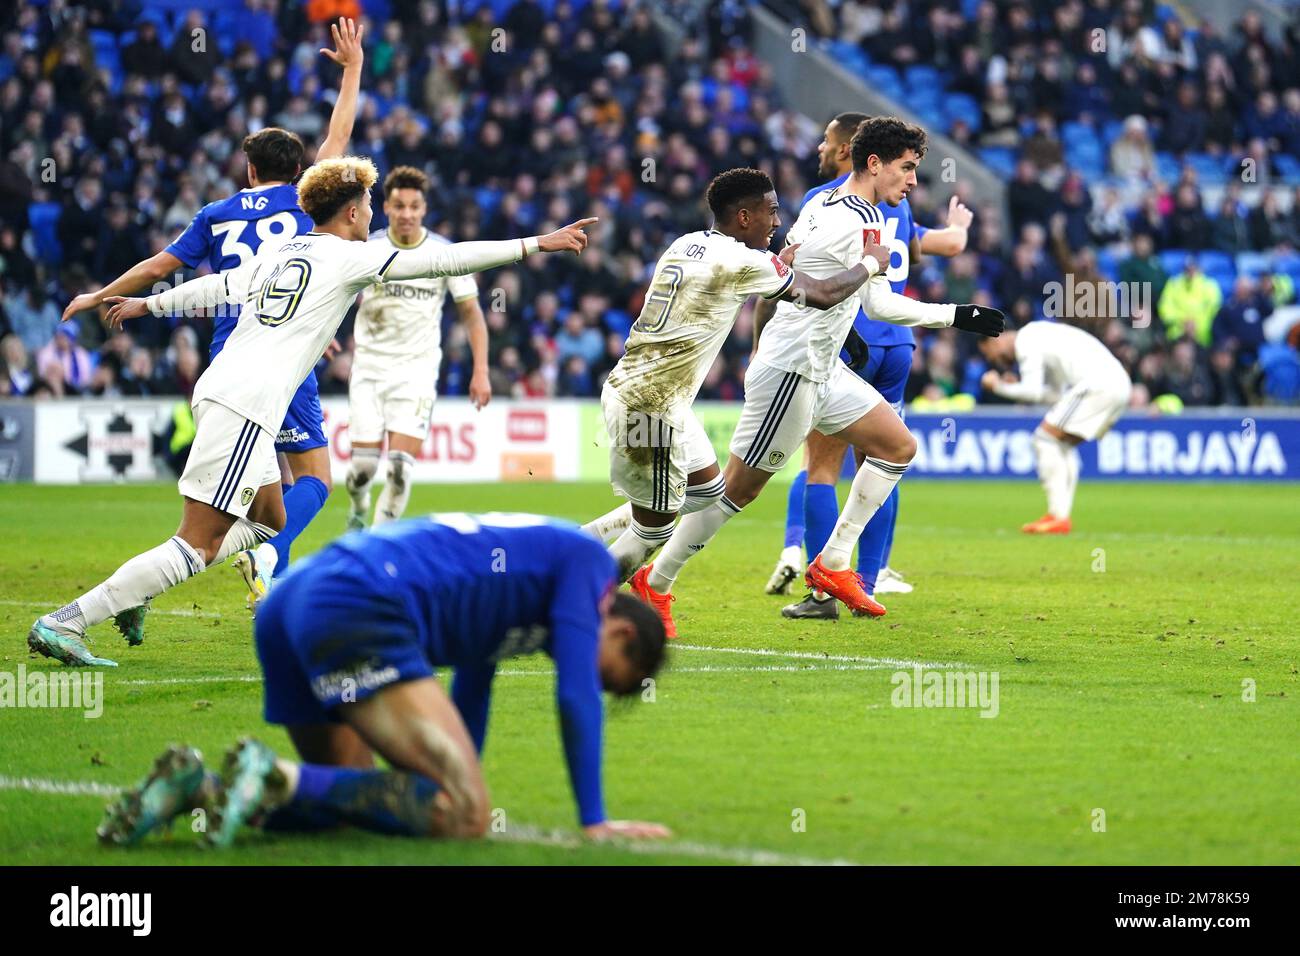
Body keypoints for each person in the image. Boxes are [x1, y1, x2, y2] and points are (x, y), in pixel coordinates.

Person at [27, 154, 595, 667]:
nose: (373, 213)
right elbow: (443, 262)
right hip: (247, 405)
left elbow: (218, 286)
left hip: (224, 389)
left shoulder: (283, 251)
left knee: (270, 521)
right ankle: (68, 621)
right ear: (351, 212)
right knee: (197, 542)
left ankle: (137, 591)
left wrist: (148, 304)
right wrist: (535, 244)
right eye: (370, 204)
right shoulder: (353, 259)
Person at [627, 117, 1003, 633]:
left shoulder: (837, 206)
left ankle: (832, 562)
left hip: (823, 369)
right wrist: (768, 346)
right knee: (736, 492)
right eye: (908, 168)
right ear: (875, 163)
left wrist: (958, 316)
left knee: (898, 447)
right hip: (792, 369)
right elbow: (802, 283)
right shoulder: (844, 217)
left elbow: (873, 301)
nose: (914, 181)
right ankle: (657, 578)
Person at [97, 515, 670, 847]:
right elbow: (572, 694)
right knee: (466, 815)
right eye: (614, 681)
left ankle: (200, 790)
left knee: (357, 799)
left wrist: (448, 766)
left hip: (294, 601)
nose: (598, 687)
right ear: (619, 632)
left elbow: (474, 679)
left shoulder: (521, 594)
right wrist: (593, 819)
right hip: (360, 602)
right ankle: (270, 774)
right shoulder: (588, 567)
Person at [63, 18, 365, 607]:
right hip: (276, 361)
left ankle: (170, 586)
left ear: (249, 170)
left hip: (228, 352)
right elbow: (341, 131)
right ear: (300, 171)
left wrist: (99, 295)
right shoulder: (309, 201)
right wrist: (351, 70)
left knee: (263, 508)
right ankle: (264, 565)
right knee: (314, 482)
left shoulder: (216, 212)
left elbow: (156, 268)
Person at [581, 167, 889, 592]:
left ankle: (581, 541)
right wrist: (871, 263)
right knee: (654, 531)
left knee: (708, 491)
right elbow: (821, 294)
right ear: (744, 217)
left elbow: (740, 282)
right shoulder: (747, 261)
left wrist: (777, 268)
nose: (777, 222)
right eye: (771, 211)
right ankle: (574, 593)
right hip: (647, 407)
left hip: (650, 393)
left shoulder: (687, 243)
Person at [765, 111, 975, 622]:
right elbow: (942, 247)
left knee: (821, 468)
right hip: (898, 346)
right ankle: (869, 581)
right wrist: (960, 231)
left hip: (848, 341)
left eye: (825, 142)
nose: (818, 149)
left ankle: (821, 595)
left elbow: (789, 277)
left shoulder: (830, 201)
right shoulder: (893, 208)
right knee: (882, 462)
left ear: (848, 152)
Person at [344, 166, 489, 531]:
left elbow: (472, 315)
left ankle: (373, 548)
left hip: (417, 374)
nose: (407, 213)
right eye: (399, 206)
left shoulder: (444, 254)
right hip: (369, 370)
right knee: (362, 469)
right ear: (387, 208)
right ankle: (359, 505)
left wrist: (481, 371)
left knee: (398, 470)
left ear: (423, 209)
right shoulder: (368, 249)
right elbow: (334, 296)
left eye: (414, 206)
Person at [978, 320, 1133, 533]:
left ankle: (1057, 516)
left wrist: (998, 386)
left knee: (1044, 438)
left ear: (995, 339)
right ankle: (1060, 517)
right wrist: (1014, 387)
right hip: (1117, 384)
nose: (993, 360)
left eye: (989, 353)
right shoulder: (1043, 336)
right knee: (1059, 444)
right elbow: (1055, 396)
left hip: (1099, 384)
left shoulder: (1026, 339)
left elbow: (1032, 393)